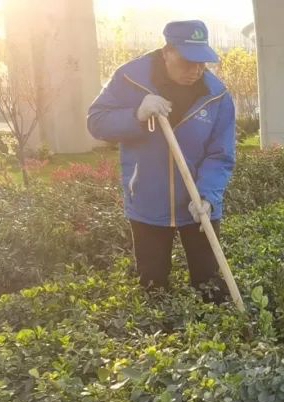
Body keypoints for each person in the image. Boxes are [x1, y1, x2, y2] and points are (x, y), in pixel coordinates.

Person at [87, 20, 236, 298]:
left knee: (210, 289)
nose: (196, 70)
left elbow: (221, 155)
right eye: (188, 61)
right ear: (167, 52)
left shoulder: (217, 95)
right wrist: (137, 115)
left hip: (198, 206)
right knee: (153, 290)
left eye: (202, 62)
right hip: (147, 202)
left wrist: (207, 196)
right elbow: (96, 122)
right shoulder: (129, 79)